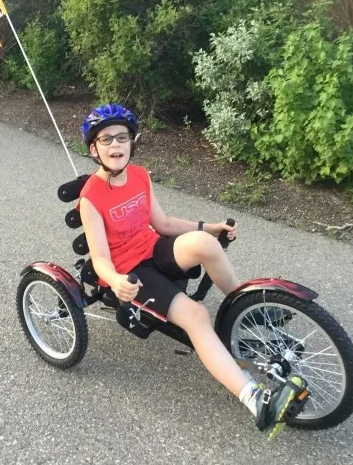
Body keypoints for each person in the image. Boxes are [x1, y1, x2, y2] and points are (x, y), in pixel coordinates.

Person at [78, 103, 308, 439]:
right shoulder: (90, 198)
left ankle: (245, 308)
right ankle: (256, 401)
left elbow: (165, 224)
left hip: (152, 247)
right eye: (106, 139)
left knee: (202, 243)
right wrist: (114, 282)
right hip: (129, 271)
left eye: (122, 137)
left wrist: (210, 227)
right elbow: (100, 259)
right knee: (196, 315)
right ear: (94, 149)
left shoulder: (140, 175)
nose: (115, 145)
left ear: (132, 141)